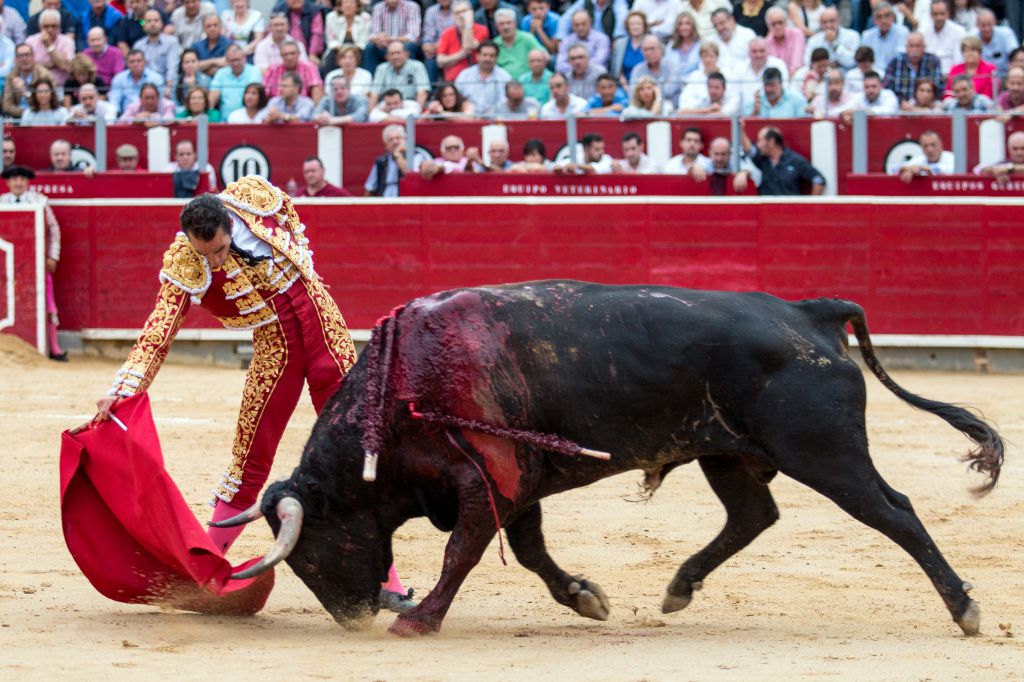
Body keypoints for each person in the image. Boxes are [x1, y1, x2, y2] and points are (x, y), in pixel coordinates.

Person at [91, 178, 417, 613]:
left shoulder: (255, 196)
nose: (215, 260)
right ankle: (203, 572)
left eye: (221, 249)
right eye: (205, 253)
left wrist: (307, 276)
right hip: (275, 346)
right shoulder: (186, 260)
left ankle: (386, 583)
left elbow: (292, 222)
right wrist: (122, 389)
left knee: (360, 455)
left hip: (323, 327)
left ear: (229, 224)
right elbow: (159, 329)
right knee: (249, 460)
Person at [0, 164, 65, 361]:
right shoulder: (1, 201)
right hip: (6, 265)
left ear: (27, 182)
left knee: (49, 304)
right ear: (8, 182)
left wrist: (52, 256)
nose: (18, 182)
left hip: (37, 264)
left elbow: (54, 230)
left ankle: (54, 348)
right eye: (14, 179)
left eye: (22, 179)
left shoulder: (40, 201)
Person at [734, 124, 825, 195]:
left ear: (771, 142)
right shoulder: (762, 160)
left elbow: (819, 180)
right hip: (767, 213)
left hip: (789, 212)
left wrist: (810, 206)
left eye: (760, 141)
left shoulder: (795, 160)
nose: (758, 145)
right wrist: (741, 130)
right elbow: (749, 149)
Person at [364, 123, 426, 197]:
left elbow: (410, 175)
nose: (395, 142)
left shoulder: (415, 156)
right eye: (390, 140)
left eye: (398, 138)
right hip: (384, 202)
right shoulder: (381, 161)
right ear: (386, 145)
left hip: (406, 202)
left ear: (405, 140)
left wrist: (397, 155)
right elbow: (370, 188)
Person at [882, 32, 943, 103]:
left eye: (918, 46)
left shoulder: (933, 61)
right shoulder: (896, 62)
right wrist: (901, 102)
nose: (915, 50)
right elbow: (887, 88)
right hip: (899, 107)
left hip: (927, 107)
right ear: (906, 47)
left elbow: (938, 88)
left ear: (924, 47)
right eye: (912, 46)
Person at [368, 39, 429, 110]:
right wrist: (371, 113)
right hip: (388, 105)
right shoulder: (381, 68)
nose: (395, 57)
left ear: (407, 54)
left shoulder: (417, 66)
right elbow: (374, 93)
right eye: (392, 54)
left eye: (398, 53)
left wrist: (417, 113)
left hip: (409, 104)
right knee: (376, 115)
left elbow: (422, 93)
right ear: (386, 57)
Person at [436, 0, 488, 82]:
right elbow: (440, 61)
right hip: (454, 80)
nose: (461, 15)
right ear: (453, 16)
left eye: (464, 11)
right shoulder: (447, 33)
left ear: (471, 12)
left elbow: (468, 45)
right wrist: (459, 55)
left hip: (476, 80)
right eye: (457, 13)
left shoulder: (482, 29)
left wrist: (467, 25)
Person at [454, 40, 511, 115]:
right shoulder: (465, 75)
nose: (488, 59)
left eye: (492, 56)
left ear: (497, 58)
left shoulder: (504, 77)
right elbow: (455, 98)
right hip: (469, 119)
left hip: (496, 120)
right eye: (484, 55)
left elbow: (507, 103)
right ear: (477, 56)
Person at [364, 0, 421, 74]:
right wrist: (379, 39)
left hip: (403, 44)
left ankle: (408, 80)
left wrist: (391, 39)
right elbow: (373, 34)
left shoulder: (412, 7)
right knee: (370, 47)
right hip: (384, 45)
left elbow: (413, 35)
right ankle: (371, 81)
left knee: (408, 46)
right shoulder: (377, 7)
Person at [209, 44, 262, 119]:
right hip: (225, 120)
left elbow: (253, 96)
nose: (235, 63)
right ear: (227, 61)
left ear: (244, 58)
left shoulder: (254, 71)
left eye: (238, 59)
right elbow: (212, 96)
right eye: (232, 60)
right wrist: (209, 114)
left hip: (247, 120)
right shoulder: (221, 73)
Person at [24, 8, 73, 87]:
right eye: (46, 26)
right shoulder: (30, 41)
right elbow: (28, 67)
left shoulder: (67, 42)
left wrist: (49, 45)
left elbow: (64, 66)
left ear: (59, 26)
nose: (50, 30)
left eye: (54, 26)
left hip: (61, 87)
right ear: (40, 27)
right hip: (36, 88)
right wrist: (53, 64)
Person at [732, 36, 789, 104]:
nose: (758, 55)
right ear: (748, 52)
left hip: (774, 110)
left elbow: (784, 90)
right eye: (754, 51)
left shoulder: (778, 64)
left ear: (768, 51)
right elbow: (734, 96)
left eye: (762, 51)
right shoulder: (740, 68)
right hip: (746, 113)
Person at [134, 8, 180, 91]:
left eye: (156, 20)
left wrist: (168, 89)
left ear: (162, 23)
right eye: (149, 21)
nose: (152, 24)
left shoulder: (172, 42)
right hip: (143, 88)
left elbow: (172, 69)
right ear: (143, 25)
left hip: (166, 86)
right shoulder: (138, 46)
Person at [629, 34, 682, 104]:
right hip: (644, 110)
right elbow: (633, 93)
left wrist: (645, 92)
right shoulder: (637, 69)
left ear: (661, 49)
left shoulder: (673, 67)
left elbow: (669, 91)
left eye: (652, 49)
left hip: (669, 109)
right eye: (645, 50)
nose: (648, 53)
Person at [108, 49, 165, 114]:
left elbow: (160, 102)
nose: (135, 64)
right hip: (126, 118)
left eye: (139, 61)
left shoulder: (156, 78)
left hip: (151, 117)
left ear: (145, 62)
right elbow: (114, 103)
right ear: (127, 63)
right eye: (132, 62)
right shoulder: (118, 78)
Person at [801, 6, 857, 71]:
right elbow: (807, 63)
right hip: (821, 75)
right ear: (820, 24)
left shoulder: (853, 36)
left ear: (839, 20)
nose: (828, 25)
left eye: (832, 21)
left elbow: (852, 62)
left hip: (845, 76)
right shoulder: (814, 40)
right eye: (824, 22)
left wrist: (834, 43)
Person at [861, 2, 909, 74]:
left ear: (893, 17)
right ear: (874, 20)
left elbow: (901, 59)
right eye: (879, 17)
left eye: (887, 16)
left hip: (895, 74)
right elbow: (864, 61)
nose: (883, 21)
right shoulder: (867, 36)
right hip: (873, 75)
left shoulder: (903, 32)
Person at [495, 7, 542, 79]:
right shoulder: (495, 44)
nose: (506, 27)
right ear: (496, 26)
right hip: (504, 84)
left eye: (509, 22)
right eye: (501, 24)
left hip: (527, 82)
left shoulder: (527, 38)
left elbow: (545, 57)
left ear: (515, 23)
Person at [945, 35, 997, 99]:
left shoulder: (990, 69)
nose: (969, 53)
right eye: (966, 51)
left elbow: (989, 95)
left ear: (979, 52)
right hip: (957, 105)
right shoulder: (955, 69)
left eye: (973, 50)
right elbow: (948, 93)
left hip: (982, 105)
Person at [971, 8, 1016, 76]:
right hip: (982, 80)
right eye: (983, 25)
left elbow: (1015, 57)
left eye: (989, 24)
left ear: (994, 22)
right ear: (977, 25)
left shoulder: (1006, 34)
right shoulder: (972, 38)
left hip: (1005, 78)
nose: (986, 28)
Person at [764, 5, 804, 76]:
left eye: (780, 22)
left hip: (796, 77)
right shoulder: (767, 42)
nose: (777, 26)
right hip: (776, 80)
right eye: (774, 24)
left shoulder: (796, 34)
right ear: (768, 26)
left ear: (786, 22)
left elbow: (797, 64)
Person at [610, 10, 646, 87]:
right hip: (624, 85)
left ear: (644, 26)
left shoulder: (650, 42)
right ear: (627, 27)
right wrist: (626, 87)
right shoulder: (620, 44)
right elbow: (618, 71)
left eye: (638, 24)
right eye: (632, 24)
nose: (635, 27)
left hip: (646, 86)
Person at [667, 11, 703, 80]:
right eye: (680, 24)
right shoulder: (670, 46)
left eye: (687, 24)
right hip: (674, 83)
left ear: (693, 26)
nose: (684, 27)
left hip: (695, 82)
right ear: (677, 27)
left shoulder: (701, 45)